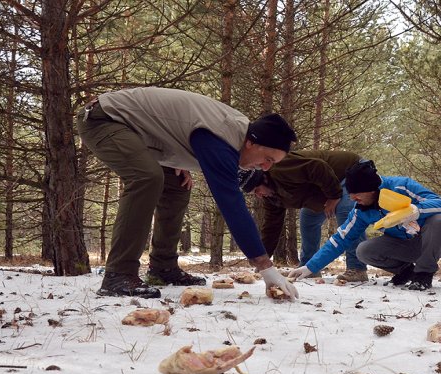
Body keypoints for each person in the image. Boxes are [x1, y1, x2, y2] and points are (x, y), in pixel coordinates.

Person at [76, 87, 299, 299]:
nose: (265, 167)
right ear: (251, 143)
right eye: (267, 159)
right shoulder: (220, 139)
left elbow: (178, 129)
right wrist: (265, 267)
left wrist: (175, 159)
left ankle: (162, 267)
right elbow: (231, 203)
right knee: (146, 177)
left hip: (140, 132)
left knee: (178, 184)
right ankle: (119, 274)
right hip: (103, 119)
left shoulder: (238, 134)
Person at [288, 161, 441, 291]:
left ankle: (423, 274)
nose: (353, 199)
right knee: (364, 250)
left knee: (438, 221)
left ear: (372, 189)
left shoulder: (401, 186)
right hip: (407, 246)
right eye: (350, 195)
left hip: (437, 241)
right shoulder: (360, 210)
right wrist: (310, 267)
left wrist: (417, 211)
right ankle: (405, 271)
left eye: (357, 194)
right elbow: (341, 238)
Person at [238, 151, 368, 282]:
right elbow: (272, 227)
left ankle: (357, 269)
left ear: (264, 179)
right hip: (325, 187)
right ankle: (309, 269)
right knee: (308, 221)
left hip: (349, 171)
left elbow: (318, 167)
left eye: (257, 190)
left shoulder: (280, 169)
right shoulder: (271, 197)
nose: (258, 195)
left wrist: (334, 196)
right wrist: (263, 260)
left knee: (347, 215)